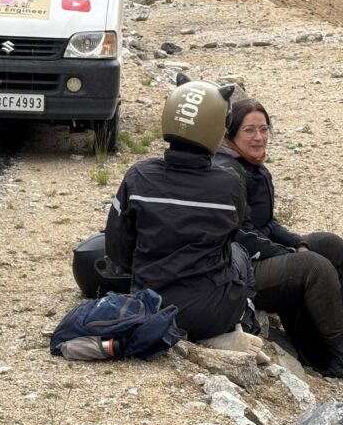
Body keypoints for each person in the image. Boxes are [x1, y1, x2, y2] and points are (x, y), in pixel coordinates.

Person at [213, 98, 343, 386]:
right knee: (313, 266)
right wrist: (289, 253)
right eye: (249, 130)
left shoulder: (252, 167)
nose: (259, 137)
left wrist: (296, 243)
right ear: (229, 134)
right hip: (238, 272)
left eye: (264, 129)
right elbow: (241, 235)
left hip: (257, 256)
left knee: (331, 246)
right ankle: (342, 358)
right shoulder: (228, 171)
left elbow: (267, 223)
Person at [103, 80, 255, 344]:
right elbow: (231, 234)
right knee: (238, 253)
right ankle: (247, 321)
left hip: (151, 307)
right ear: (217, 127)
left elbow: (117, 248)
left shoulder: (138, 176)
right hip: (211, 315)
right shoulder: (230, 183)